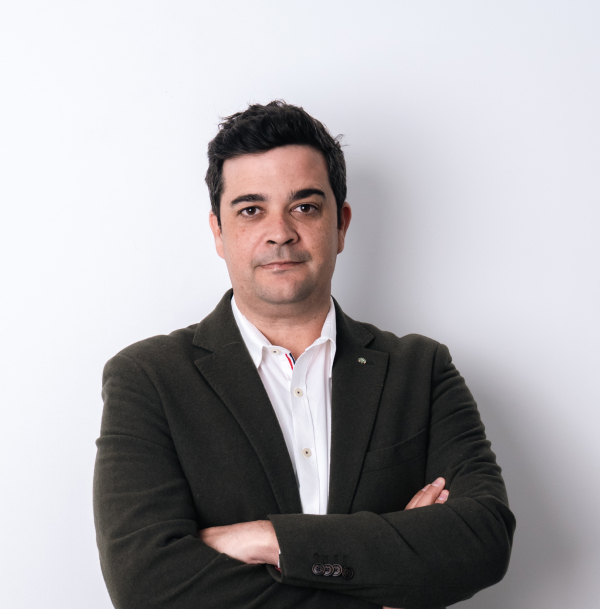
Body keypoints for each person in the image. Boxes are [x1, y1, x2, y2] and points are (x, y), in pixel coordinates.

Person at [93, 100, 515, 609]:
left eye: (305, 207)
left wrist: (268, 540)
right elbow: (145, 584)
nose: (280, 232)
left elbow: (483, 539)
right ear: (218, 233)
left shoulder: (420, 370)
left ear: (341, 225)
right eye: (251, 210)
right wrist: (387, 576)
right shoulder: (149, 379)